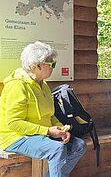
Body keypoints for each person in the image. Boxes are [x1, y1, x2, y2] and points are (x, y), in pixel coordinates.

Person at [0, 41, 87, 177]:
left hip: (39, 134)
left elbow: (50, 115)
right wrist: (47, 131)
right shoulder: (17, 86)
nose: (53, 67)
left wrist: (61, 129)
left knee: (79, 145)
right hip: (15, 137)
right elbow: (14, 122)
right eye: (52, 64)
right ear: (38, 65)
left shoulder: (43, 85)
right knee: (57, 149)